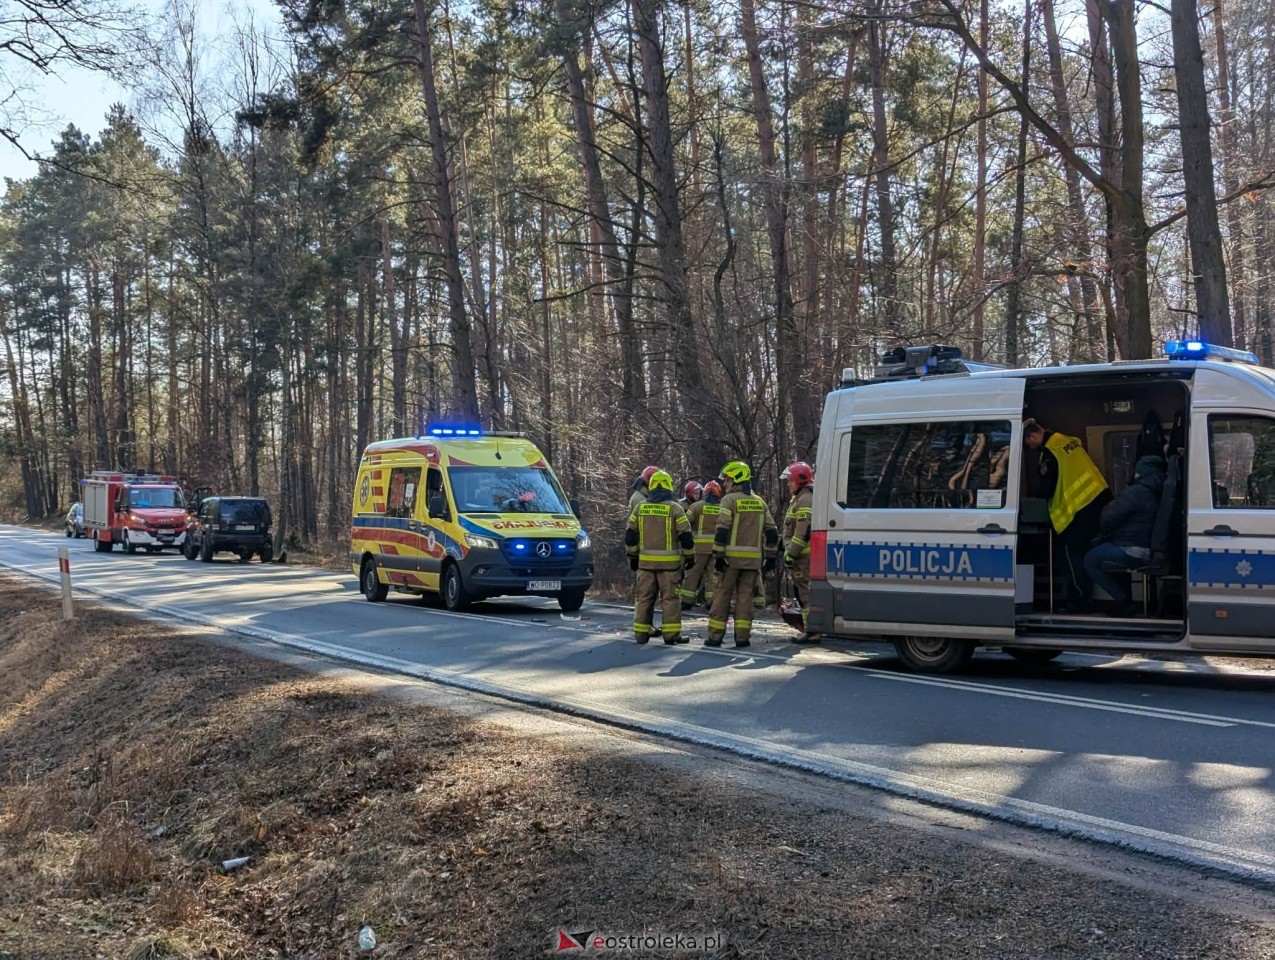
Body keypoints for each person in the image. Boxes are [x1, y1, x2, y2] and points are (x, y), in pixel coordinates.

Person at [1023, 417, 1112, 608]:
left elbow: (1046, 488)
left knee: (1068, 554)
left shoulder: (1049, 452)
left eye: (1028, 444)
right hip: (1096, 501)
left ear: (1033, 436)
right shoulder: (1068, 441)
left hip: (1076, 511)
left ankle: (1079, 600)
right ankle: (1085, 597)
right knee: (1084, 553)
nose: (1030, 448)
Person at [706, 461, 778, 648]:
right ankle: (742, 638)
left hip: (730, 561)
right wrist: (770, 557)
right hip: (752, 563)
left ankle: (715, 637)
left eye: (727, 480)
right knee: (745, 600)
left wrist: (719, 556)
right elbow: (772, 532)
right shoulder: (760, 502)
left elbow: (722, 530)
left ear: (737, 479)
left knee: (722, 597)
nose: (724, 484)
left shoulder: (729, 501)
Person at [1083, 456, 1167, 615]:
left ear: (1141, 473)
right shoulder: (1160, 490)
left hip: (1131, 547)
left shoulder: (1136, 492)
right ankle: (1125, 601)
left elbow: (1110, 518)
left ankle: (1124, 601)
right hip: (1151, 548)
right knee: (1108, 553)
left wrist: (1101, 531)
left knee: (1091, 559)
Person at [625, 469, 695, 645]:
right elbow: (686, 537)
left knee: (643, 598)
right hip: (669, 568)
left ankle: (641, 634)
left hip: (645, 565)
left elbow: (630, 535)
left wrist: (633, 556)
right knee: (670, 600)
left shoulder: (640, 508)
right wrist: (690, 557)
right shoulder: (675, 509)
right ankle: (671, 636)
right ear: (668, 487)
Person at [781, 461, 819, 642]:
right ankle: (810, 629)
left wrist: (792, 554)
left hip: (803, 556)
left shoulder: (805, 500)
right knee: (802, 592)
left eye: (790, 481)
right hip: (801, 555)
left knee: (805, 593)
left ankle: (812, 631)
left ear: (799, 480)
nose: (788, 484)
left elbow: (802, 531)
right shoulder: (801, 498)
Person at [677, 479, 722, 610]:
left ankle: (686, 601)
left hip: (698, 548)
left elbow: (685, 523)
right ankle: (711, 602)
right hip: (716, 549)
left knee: (692, 575)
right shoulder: (722, 508)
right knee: (712, 576)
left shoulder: (695, 507)